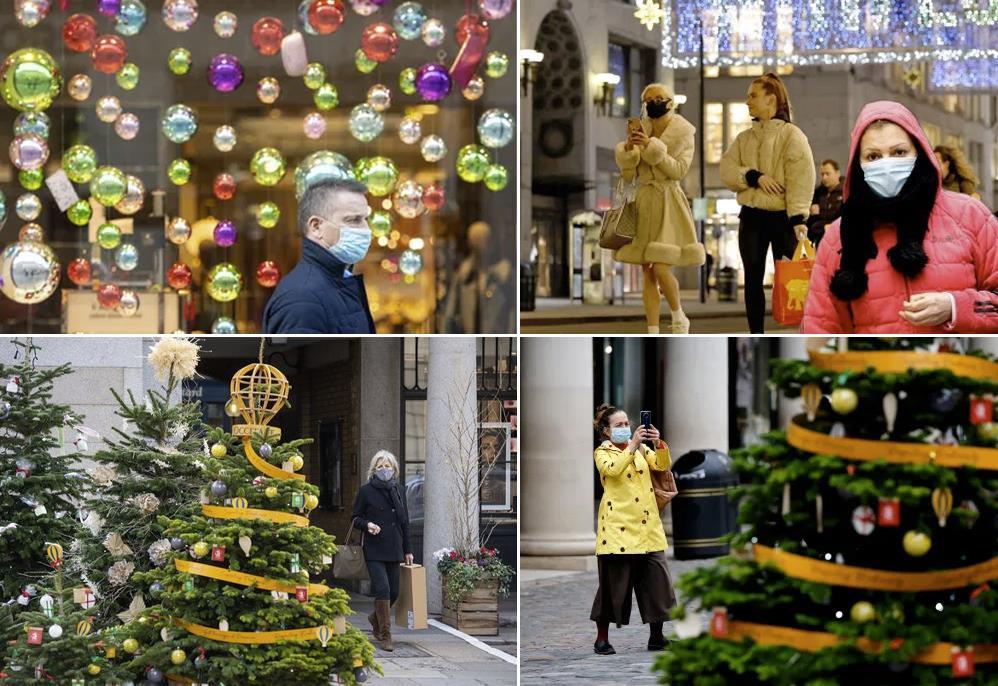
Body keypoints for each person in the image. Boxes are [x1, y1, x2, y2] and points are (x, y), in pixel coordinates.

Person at [801, 101, 998, 333]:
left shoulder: (970, 216)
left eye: (899, 152)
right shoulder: (838, 237)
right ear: (858, 165)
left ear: (920, 152)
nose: (887, 164)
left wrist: (956, 307)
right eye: (873, 157)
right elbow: (821, 326)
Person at [720, 72, 816, 333]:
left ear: (770, 99)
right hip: (751, 216)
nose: (747, 101)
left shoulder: (792, 136)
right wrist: (754, 176)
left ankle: (797, 332)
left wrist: (798, 219)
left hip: (783, 219)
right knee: (752, 280)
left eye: (753, 95)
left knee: (790, 281)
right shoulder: (744, 138)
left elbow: (802, 177)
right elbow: (727, 170)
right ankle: (756, 333)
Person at [614, 83, 705, 334]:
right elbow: (629, 175)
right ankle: (652, 328)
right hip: (644, 201)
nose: (654, 102)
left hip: (668, 200)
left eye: (659, 98)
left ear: (670, 102)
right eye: (648, 99)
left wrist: (651, 148)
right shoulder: (643, 128)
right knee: (647, 270)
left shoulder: (684, 132)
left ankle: (678, 316)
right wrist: (630, 152)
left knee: (662, 264)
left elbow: (678, 170)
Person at [590, 403, 676, 655]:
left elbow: (662, 465)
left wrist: (658, 444)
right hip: (618, 532)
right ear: (606, 431)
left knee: (657, 584)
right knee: (612, 588)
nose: (626, 428)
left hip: (648, 529)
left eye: (627, 424)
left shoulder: (641, 451)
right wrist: (632, 445)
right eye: (619, 425)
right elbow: (612, 471)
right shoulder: (603, 452)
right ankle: (601, 639)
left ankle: (657, 637)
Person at [263, 178, 376, 333]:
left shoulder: (339, 280)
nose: (366, 229)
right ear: (316, 227)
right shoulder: (301, 299)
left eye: (365, 219)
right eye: (353, 220)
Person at [351, 450, 413, 651]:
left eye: (387, 466)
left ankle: (374, 617)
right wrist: (368, 524)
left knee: (394, 591)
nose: (384, 469)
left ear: (393, 469)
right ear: (373, 470)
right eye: (380, 466)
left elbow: (405, 522)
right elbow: (355, 518)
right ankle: (385, 634)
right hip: (375, 548)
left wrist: (408, 550)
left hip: (394, 547)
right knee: (383, 589)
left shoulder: (399, 490)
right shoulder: (366, 491)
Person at [807, 159, 844, 246]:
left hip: (839, 238)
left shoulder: (846, 192)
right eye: (822, 174)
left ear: (837, 173)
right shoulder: (817, 194)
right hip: (820, 238)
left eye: (828, 174)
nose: (824, 177)